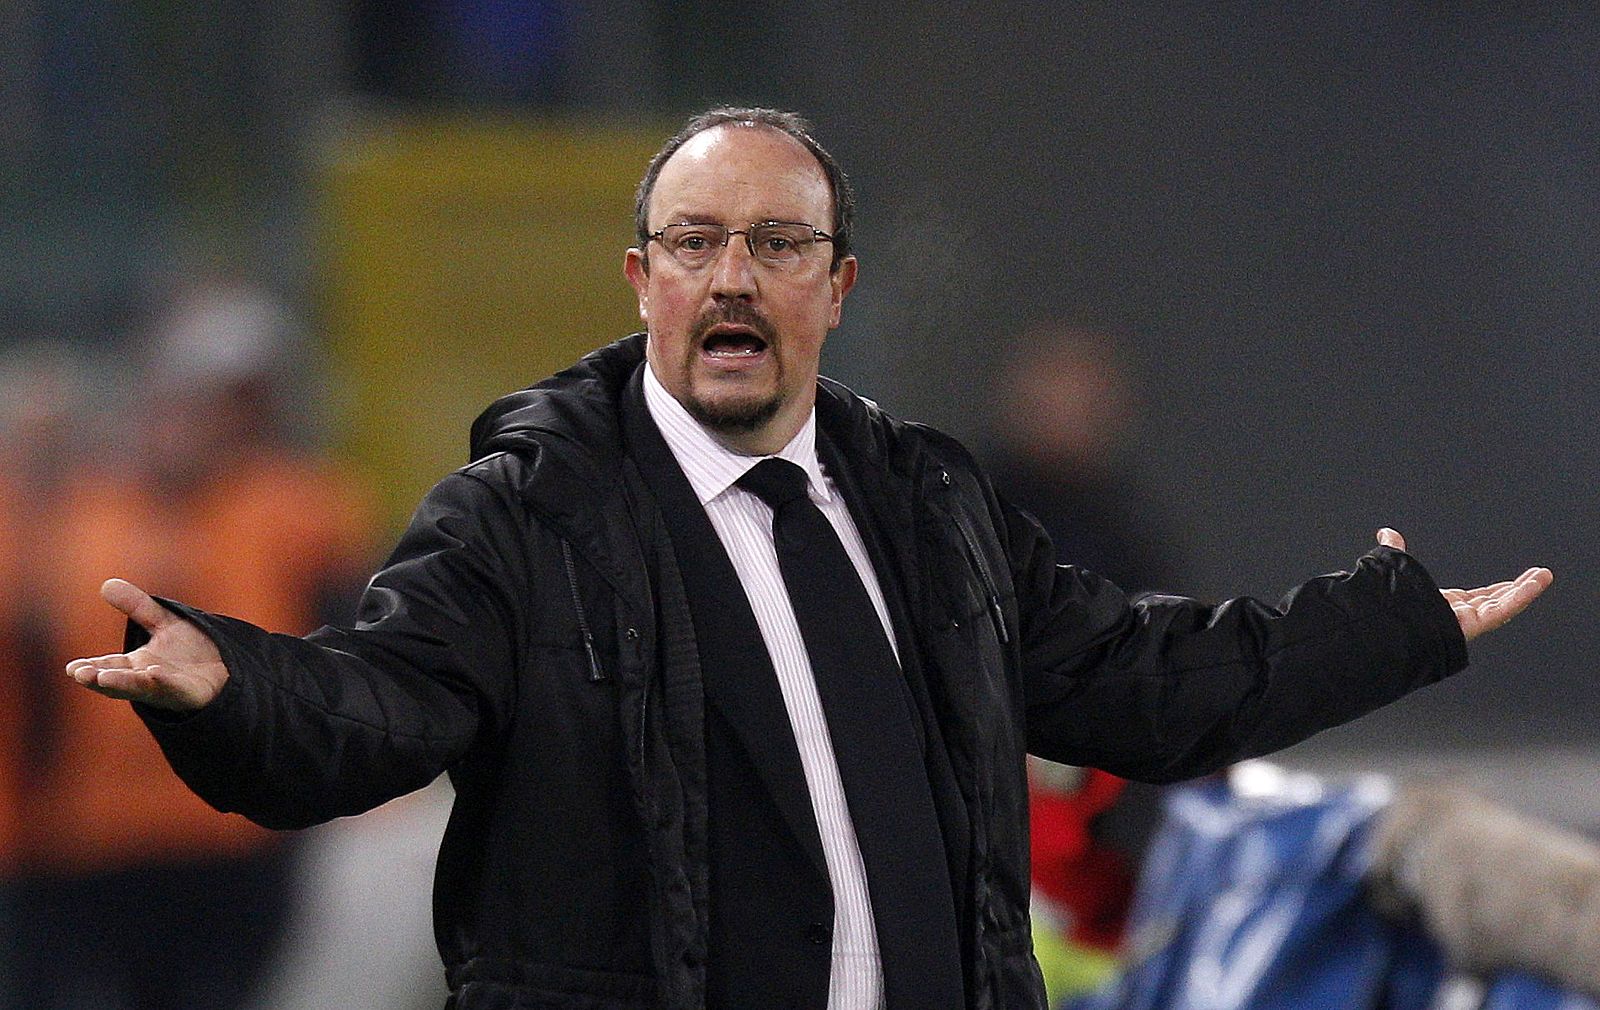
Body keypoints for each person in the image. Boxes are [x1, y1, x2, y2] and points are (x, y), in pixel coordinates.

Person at [63, 108, 1552, 1010]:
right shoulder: (524, 516)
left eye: (776, 246)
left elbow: (1138, 681)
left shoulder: (930, 505)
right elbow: (372, 705)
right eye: (696, 241)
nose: (732, 276)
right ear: (640, 279)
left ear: (835, 289)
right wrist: (228, 684)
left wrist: (1388, 624)